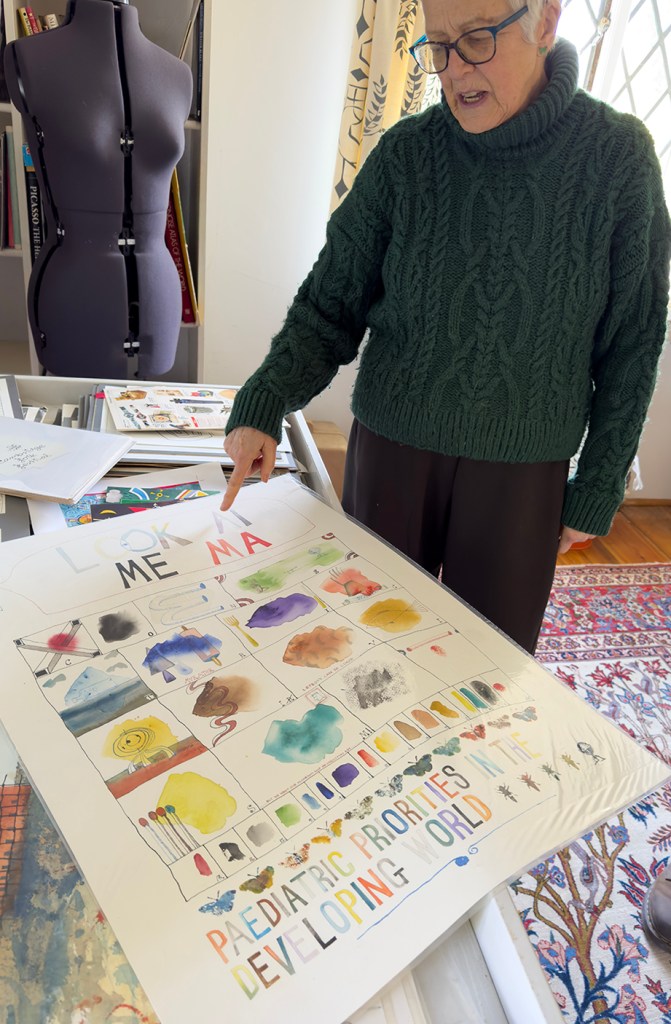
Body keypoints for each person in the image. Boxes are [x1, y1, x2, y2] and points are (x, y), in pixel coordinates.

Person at [221, 0, 670, 656]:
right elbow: (330, 303)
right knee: (362, 648)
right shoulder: (406, 155)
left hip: (523, 470)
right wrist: (264, 401)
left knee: (486, 666)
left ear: (544, 23)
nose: (453, 69)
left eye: (476, 39)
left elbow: (632, 340)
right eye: (435, 47)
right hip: (391, 448)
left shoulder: (618, 158)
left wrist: (596, 483)